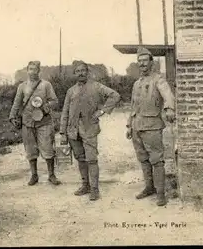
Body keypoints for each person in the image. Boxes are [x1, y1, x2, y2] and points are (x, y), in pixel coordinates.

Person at [59, 61, 120, 201]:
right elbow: (65, 112)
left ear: (87, 72)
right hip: (73, 130)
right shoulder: (71, 91)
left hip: (90, 128)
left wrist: (102, 110)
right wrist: (63, 133)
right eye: (77, 71)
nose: (80, 73)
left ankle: (94, 189)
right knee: (80, 159)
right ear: (74, 74)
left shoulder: (97, 86)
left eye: (83, 70)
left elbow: (115, 95)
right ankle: (85, 185)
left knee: (91, 159)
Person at [126, 47, 175, 206]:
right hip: (136, 127)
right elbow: (133, 106)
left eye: (145, 61)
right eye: (139, 61)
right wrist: (129, 125)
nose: (142, 64)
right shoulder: (136, 84)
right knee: (143, 159)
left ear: (151, 62)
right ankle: (149, 187)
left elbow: (167, 94)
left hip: (152, 126)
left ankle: (161, 193)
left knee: (157, 160)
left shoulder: (158, 79)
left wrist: (169, 108)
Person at [9, 61, 61, 186]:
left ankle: (51, 175)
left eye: (35, 69)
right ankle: (34, 175)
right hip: (27, 122)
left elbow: (54, 101)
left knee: (48, 148)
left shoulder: (46, 85)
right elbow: (17, 103)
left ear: (39, 71)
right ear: (27, 70)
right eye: (30, 69)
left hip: (44, 122)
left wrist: (45, 107)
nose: (32, 71)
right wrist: (12, 116)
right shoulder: (22, 86)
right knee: (30, 150)